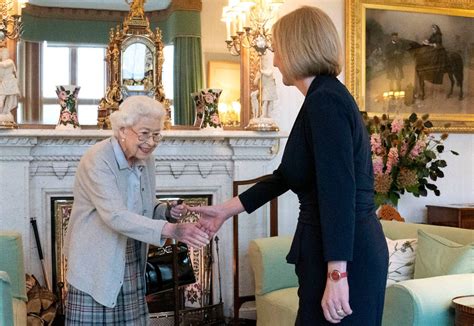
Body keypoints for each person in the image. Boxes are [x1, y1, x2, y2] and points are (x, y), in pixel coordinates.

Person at [191, 6, 388, 325]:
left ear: (298, 47)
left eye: (278, 47)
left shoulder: (326, 101)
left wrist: (337, 274)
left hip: (345, 257)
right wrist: (225, 210)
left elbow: (338, 191)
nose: (275, 57)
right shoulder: (320, 98)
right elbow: (287, 176)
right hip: (327, 251)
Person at [63, 96, 209, 325]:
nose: (151, 142)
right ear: (122, 130)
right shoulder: (97, 159)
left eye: (156, 134)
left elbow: (145, 206)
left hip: (131, 256)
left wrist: (167, 212)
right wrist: (172, 230)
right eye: (144, 133)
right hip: (97, 261)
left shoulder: (145, 159)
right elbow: (115, 215)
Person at [253, 52, 278, 118]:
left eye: (266, 60)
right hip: (266, 88)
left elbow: (269, 73)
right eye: (264, 61)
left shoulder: (269, 70)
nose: (265, 62)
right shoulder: (260, 71)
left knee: (270, 102)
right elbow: (255, 83)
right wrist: (257, 78)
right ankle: (264, 114)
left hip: (271, 87)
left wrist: (261, 72)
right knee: (265, 101)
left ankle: (269, 114)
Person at [0, 47, 20, 117]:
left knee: (11, 98)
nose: (6, 54)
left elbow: (5, 65)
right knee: (1, 98)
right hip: (4, 83)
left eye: (7, 53)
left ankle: (7, 112)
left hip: (11, 82)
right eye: (4, 53)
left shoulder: (10, 61)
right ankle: (1, 112)